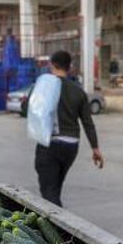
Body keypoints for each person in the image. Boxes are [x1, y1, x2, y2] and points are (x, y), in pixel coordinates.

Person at [25, 50, 104, 207]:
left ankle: (59, 226)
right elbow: (88, 123)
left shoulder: (44, 86)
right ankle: (57, 219)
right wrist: (95, 148)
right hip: (71, 146)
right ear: (70, 67)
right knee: (55, 188)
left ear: (51, 65)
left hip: (50, 144)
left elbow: (29, 106)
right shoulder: (78, 91)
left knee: (49, 193)